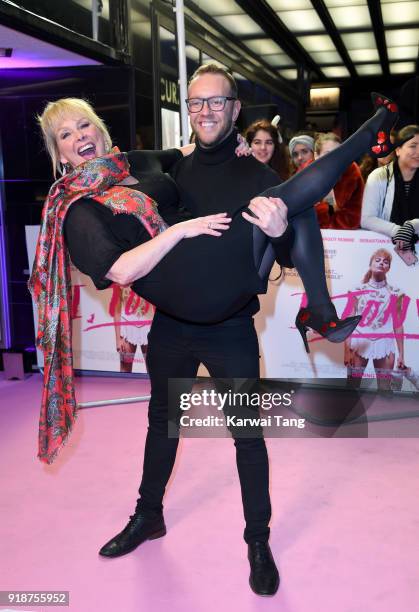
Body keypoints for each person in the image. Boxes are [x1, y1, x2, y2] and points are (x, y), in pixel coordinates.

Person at [30, 67, 403, 596]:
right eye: (65, 134)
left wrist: (276, 234)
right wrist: (183, 228)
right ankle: (148, 516)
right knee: (162, 427)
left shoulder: (154, 164)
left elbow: (281, 252)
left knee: (247, 436)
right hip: (172, 327)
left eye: (83, 125)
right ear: (59, 153)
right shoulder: (77, 207)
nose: (78, 137)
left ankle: (257, 540)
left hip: (230, 328)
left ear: (233, 110)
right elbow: (117, 270)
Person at [344, 249, 405, 391]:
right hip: (360, 342)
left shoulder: (396, 292)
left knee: (384, 390)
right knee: (352, 387)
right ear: (370, 264)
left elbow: (398, 324)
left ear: (388, 268)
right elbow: (349, 323)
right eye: (378, 260)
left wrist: (402, 355)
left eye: (386, 261)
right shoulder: (356, 289)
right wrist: (347, 351)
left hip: (385, 343)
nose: (381, 263)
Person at [361, 125, 419, 255]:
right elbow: (367, 219)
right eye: (413, 146)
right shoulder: (379, 176)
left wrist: (413, 225)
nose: (418, 151)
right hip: (384, 251)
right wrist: (396, 231)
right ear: (398, 150)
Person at [313, 132, 364, 230]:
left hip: (345, 232)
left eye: (338, 153)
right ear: (316, 156)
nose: (334, 158)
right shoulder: (308, 172)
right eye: (328, 154)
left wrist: (323, 210)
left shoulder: (350, 171)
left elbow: (346, 214)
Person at [113, 286, 154, 373]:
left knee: (152, 370)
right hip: (127, 327)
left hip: (148, 325)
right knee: (125, 369)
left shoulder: (151, 277)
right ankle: (123, 387)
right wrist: (118, 339)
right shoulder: (122, 278)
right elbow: (117, 310)